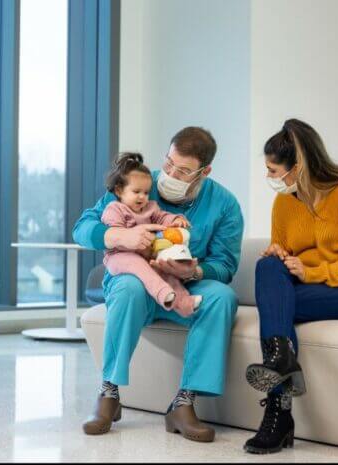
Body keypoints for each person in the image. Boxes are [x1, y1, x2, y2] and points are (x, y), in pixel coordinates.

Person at [73, 126, 244, 442]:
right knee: (128, 287)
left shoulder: (225, 205)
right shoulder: (138, 182)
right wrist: (118, 236)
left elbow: (226, 266)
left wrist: (193, 272)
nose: (170, 173)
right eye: (168, 163)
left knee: (221, 297)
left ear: (204, 172)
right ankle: (109, 393)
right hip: (135, 281)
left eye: (182, 170)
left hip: (184, 287)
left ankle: (183, 403)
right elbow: (83, 227)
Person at [243, 119, 338, 454]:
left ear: (297, 167)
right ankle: (282, 363)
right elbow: (284, 255)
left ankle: (277, 413)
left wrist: (312, 272)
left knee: (277, 305)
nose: (270, 178)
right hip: (315, 288)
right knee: (267, 265)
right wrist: (279, 254)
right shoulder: (284, 202)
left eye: (273, 171)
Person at [101, 152, 201, 316]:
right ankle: (163, 294)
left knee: (165, 271)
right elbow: (117, 235)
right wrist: (131, 239)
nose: (142, 196)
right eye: (136, 191)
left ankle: (184, 303)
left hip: (146, 255)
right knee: (140, 267)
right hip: (119, 256)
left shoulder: (151, 208)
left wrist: (175, 220)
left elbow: (162, 217)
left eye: (146, 192)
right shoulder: (114, 209)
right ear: (119, 191)